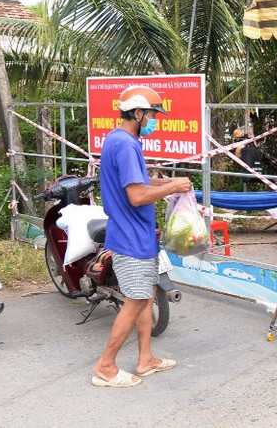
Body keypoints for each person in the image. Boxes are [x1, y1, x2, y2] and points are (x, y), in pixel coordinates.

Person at [93, 85, 193, 388]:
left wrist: (167, 181)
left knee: (147, 295)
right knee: (136, 300)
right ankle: (105, 366)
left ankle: (145, 359)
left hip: (139, 234)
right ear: (137, 113)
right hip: (130, 236)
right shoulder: (125, 145)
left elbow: (139, 181)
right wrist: (173, 188)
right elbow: (136, 196)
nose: (154, 121)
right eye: (152, 115)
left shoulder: (121, 139)